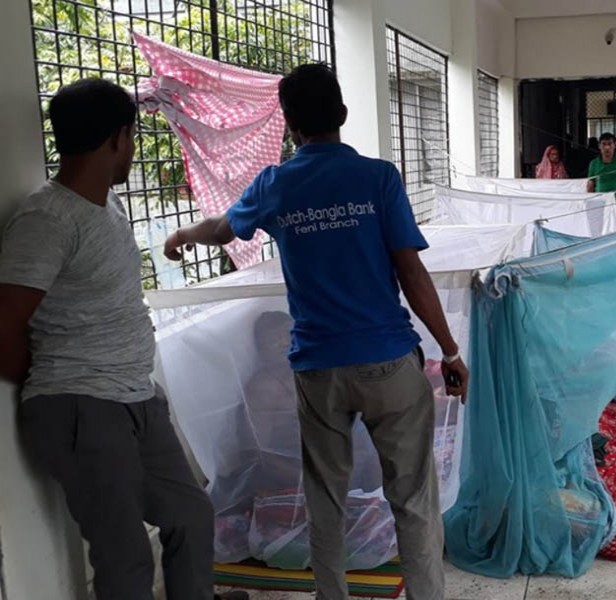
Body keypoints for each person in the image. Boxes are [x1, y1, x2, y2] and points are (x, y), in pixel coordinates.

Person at [164, 64, 469, 600]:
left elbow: (223, 228)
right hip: (388, 361)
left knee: (325, 500)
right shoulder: (378, 178)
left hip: (319, 369)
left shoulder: (276, 184)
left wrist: (183, 234)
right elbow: (411, 270)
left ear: (289, 123)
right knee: (413, 501)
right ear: (343, 114)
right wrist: (448, 350)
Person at [0, 79, 245, 600]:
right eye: (132, 136)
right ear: (119, 137)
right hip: (82, 407)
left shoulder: (106, 206)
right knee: (125, 554)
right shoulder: (47, 218)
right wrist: (63, 387)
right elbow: (4, 326)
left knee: (189, 514)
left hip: (135, 397)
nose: (132, 147)